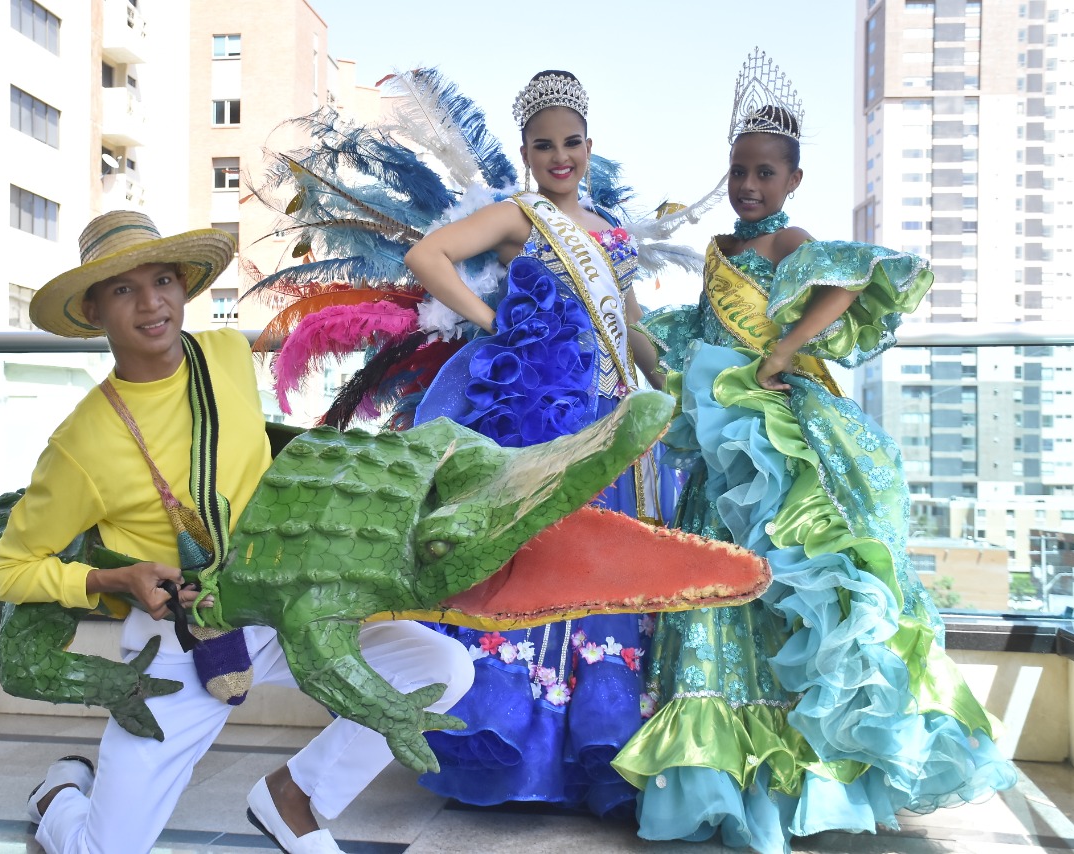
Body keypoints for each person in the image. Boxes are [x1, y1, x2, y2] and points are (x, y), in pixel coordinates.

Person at [609, 49, 1017, 852]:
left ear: (792, 179)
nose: (749, 186)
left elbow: (859, 278)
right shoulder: (723, 248)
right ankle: (733, 782)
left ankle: (802, 783)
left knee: (794, 592)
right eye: (739, 172)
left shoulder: (793, 237)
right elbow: (694, 333)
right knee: (725, 590)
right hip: (725, 443)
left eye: (764, 172)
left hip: (780, 436)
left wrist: (790, 346)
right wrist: (626, 307)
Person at [0, 210, 473, 854]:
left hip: (280, 612)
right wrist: (113, 578)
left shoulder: (225, 355)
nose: (151, 303)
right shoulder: (81, 444)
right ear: (96, 309)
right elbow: (9, 571)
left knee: (441, 664)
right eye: (124, 289)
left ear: (184, 287)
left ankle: (295, 797)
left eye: (162, 280)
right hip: (177, 645)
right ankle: (59, 800)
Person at [402, 70, 674, 818]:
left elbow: (627, 318)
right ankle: (517, 747)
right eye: (545, 145)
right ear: (525, 151)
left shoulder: (611, 231)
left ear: (590, 146)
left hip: (615, 421)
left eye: (573, 143)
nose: (561, 156)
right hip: (544, 421)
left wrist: (664, 379)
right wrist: (492, 324)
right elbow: (427, 257)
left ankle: (598, 751)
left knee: (605, 575)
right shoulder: (517, 216)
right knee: (543, 568)